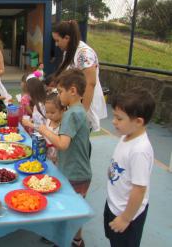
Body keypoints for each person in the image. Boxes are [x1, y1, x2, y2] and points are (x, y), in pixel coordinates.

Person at [30, 69, 91, 247]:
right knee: (73, 208)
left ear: (72, 90)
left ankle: (70, 240)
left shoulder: (71, 114)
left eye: (61, 91)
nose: (59, 95)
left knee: (71, 210)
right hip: (75, 170)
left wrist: (44, 130)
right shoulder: (78, 110)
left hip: (75, 173)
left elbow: (63, 144)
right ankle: (71, 238)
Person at [104, 88, 155, 247]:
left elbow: (139, 189)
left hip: (128, 214)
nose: (114, 121)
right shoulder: (127, 136)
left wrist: (126, 218)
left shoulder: (140, 150)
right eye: (114, 116)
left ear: (138, 122)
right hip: (114, 203)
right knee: (113, 240)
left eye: (119, 118)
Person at [52, 20, 107, 132]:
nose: (56, 44)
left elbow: (90, 84)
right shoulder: (69, 51)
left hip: (82, 104)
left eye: (57, 40)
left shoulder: (83, 54)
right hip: (73, 102)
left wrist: (81, 113)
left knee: (78, 141)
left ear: (67, 38)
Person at [43, 90, 66, 165]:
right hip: (47, 156)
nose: (49, 115)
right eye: (47, 112)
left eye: (52, 112)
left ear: (63, 110)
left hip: (59, 160)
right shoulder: (48, 121)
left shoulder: (64, 125)